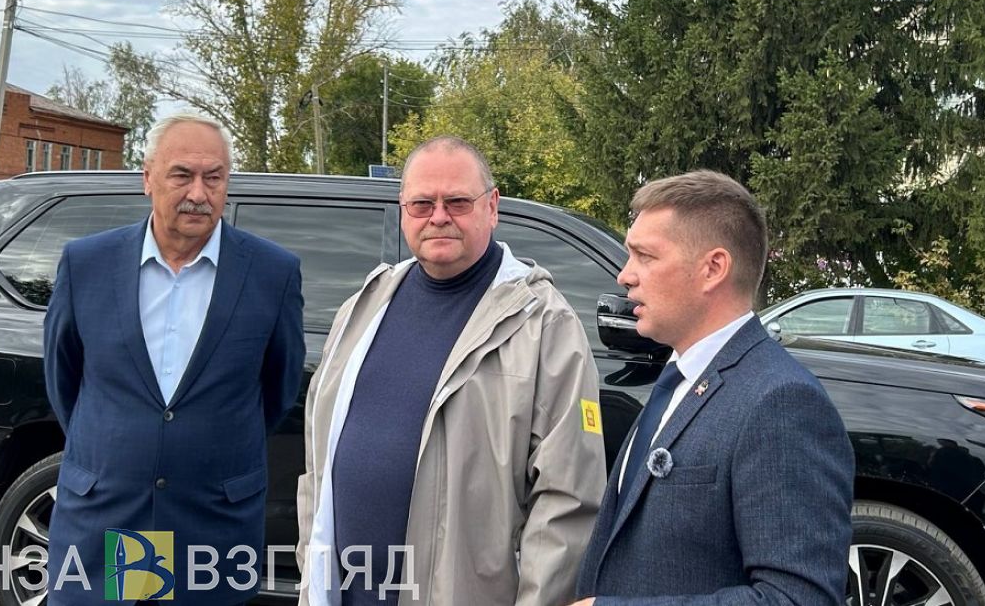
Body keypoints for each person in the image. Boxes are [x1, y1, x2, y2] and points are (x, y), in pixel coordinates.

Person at [296, 136, 605, 605]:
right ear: (403, 210)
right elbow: (316, 467)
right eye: (422, 204)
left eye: (457, 202)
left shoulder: (544, 324)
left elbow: (568, 500)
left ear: (492, 206)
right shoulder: (363, 307)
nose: (438, 216)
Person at [44, 113, 305, 605]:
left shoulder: (273, 273)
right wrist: (129, 443)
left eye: (214, 177)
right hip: (109, 514)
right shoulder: (87, 264)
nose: (199, 193)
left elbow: (277, 389)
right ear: (148, 178)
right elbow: (65, 380)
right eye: (182, 174)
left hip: (210, 521)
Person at [570, 170, 854, 605]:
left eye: (645, 256)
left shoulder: (781, 403)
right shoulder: (679, 380)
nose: (625, 276)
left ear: (713, 268)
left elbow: (797, 598)